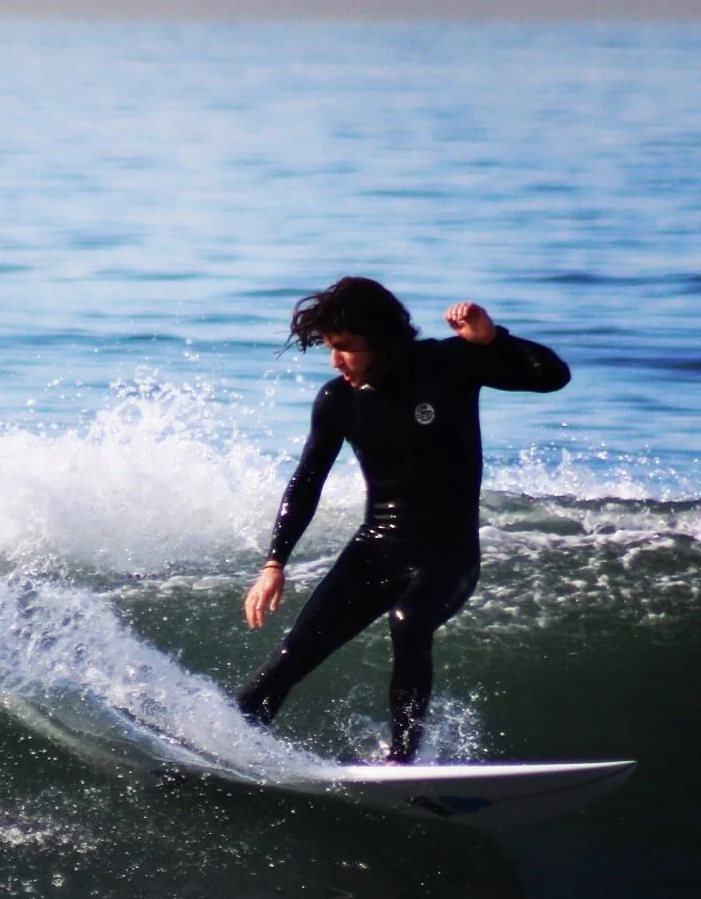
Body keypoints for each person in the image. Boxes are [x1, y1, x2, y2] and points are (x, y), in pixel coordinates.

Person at [237, 276, 570, 762]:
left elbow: (553, 377)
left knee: (408, 620)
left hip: (447, 553)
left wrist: (495, 340)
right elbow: (306, 482)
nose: (335, 361)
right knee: (288, 661)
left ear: (379, 337)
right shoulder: (339, 401)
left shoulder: (447, 363)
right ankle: (224, 744)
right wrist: (274, 563)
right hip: (374, 549)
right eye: (331, 348)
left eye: (345, 348)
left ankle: (403, 760)